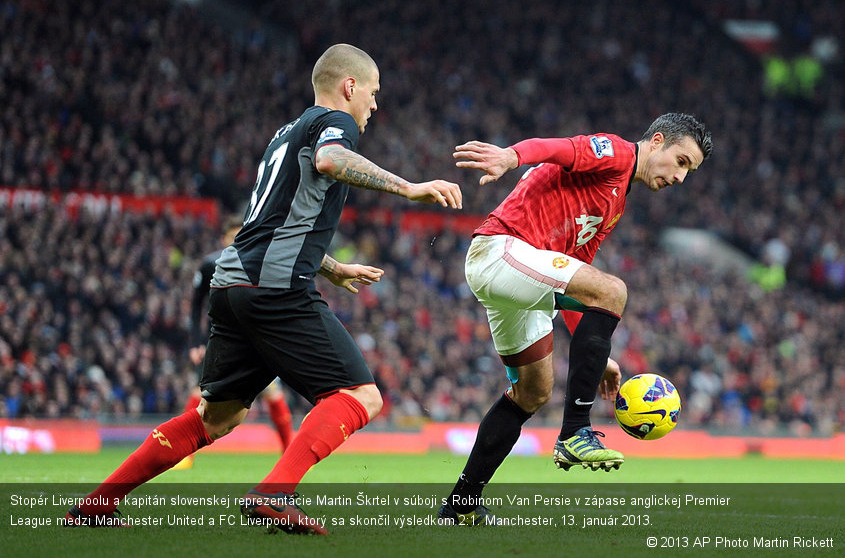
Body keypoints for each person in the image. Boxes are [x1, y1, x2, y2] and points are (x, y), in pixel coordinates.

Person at [64, 43, 463, 534]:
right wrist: (410, 187)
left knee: (216, 418)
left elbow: (272, 221)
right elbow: (333, 161)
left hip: (233, 280)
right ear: (350, 86)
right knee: (361, 395)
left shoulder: (283, 134)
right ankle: (273, 497)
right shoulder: (335, 126)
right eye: (374, 93)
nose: (375, 105)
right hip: (274, 286)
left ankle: (97, 504)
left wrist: (330, 266)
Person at [439, 113, 712, 525]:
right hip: (502, 250)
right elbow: (558, 148)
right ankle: (574, 432)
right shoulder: (617, 154)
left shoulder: (615, 203)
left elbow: (574, 288)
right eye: (682, 161)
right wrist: (510, 158)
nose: (680, 177)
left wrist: (596, 355)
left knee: (532, 392)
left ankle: (459, 506)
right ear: (657, 141)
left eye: (688, 170)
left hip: (522, 276)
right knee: (613, 289)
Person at [173, 214, 294, 471]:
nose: (237, 240)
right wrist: (196, 342)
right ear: (223, 238)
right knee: (200, 395)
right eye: (232, 236)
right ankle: (185, 455)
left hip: (257, 342)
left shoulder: (260, 261)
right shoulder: (210, 265)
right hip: (222, 341)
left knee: (273, 394)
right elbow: (195, 307)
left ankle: (289, 452)